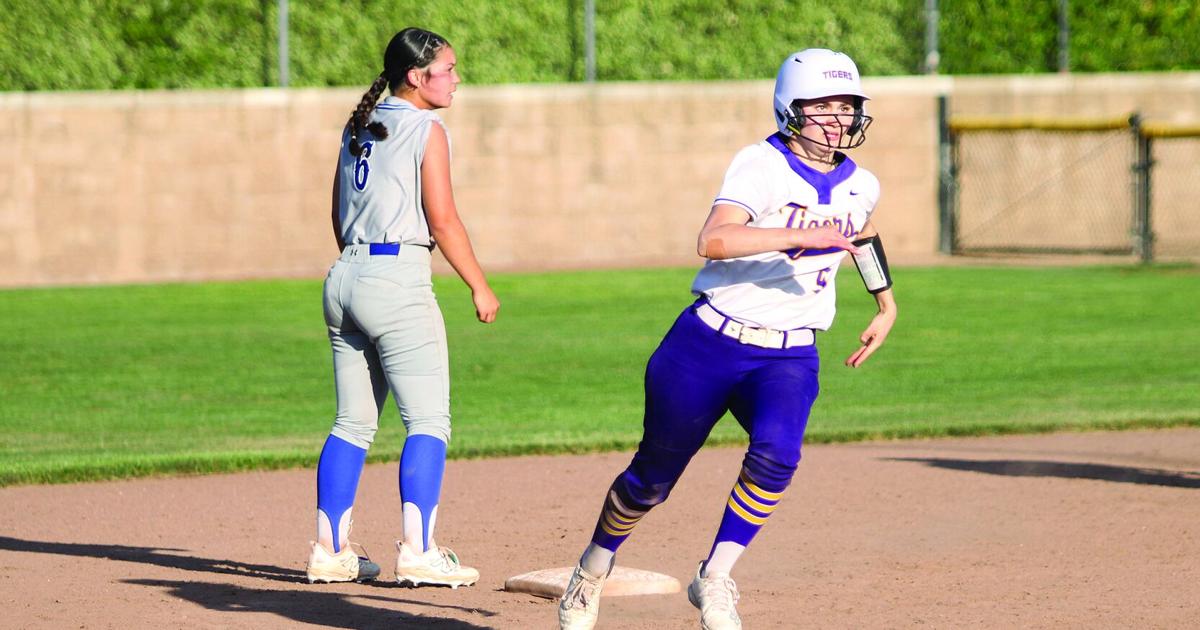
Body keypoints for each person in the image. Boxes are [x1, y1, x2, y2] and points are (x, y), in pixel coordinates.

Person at [557, 48, 897, 629]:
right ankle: (591, 570)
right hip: (707, 344)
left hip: (790, 350)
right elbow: (713, 241)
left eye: (848, 106)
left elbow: (860, 236)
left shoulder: (862, 183)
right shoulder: (759, 164)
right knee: (651, 481)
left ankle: (714, 577)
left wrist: (885, 303)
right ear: (791, 109)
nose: (840, 118)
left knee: (778, 455)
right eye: (825, 106)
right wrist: (798, 236)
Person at [304, 27, 499, 588]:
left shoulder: (359, 124)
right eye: (449, 69)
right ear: (417, 77)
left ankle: (330, 550)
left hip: (345, 278)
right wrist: (479, 286)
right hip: (397, 278)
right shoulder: (427, 128)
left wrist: (361, 271)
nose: (457, 79)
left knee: (351, 423)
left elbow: (339, 217)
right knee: (429, 421)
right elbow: (443, 222)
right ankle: (418, 551)